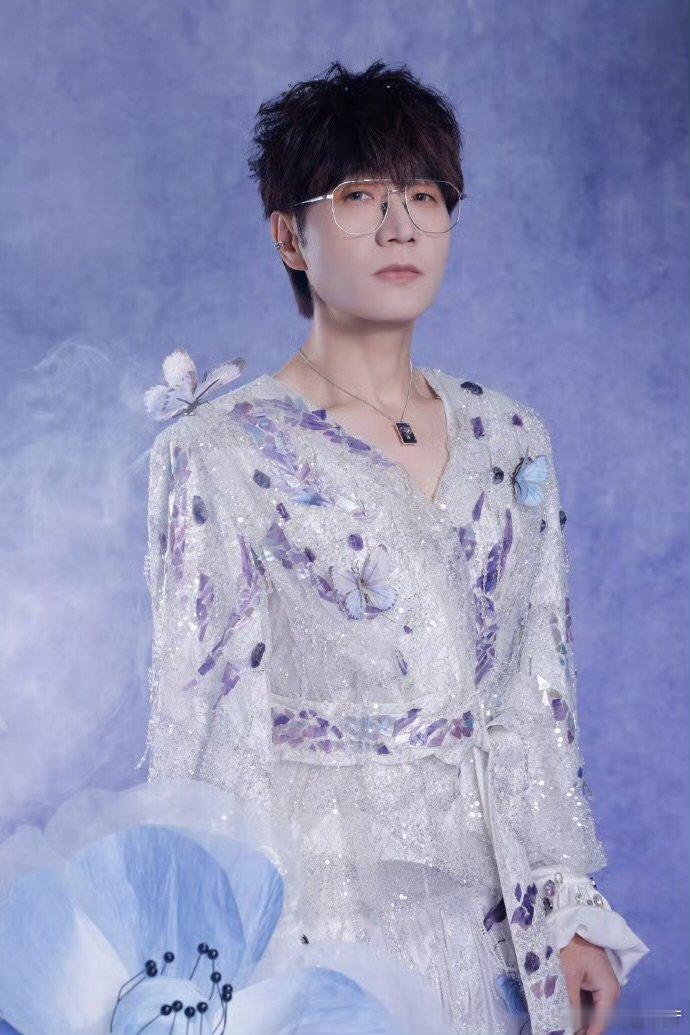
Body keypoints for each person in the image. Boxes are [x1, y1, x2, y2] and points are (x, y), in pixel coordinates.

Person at [140, 60, 649, 1035]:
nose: (400, 225)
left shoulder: (511, 439)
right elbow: (197, 721)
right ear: (289, 235)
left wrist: (567, 906)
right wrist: (217, 958)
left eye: (424, 195)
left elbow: (535, 694)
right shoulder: (221, 449)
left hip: (489, 927)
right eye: (358, 196)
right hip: (316, 925)